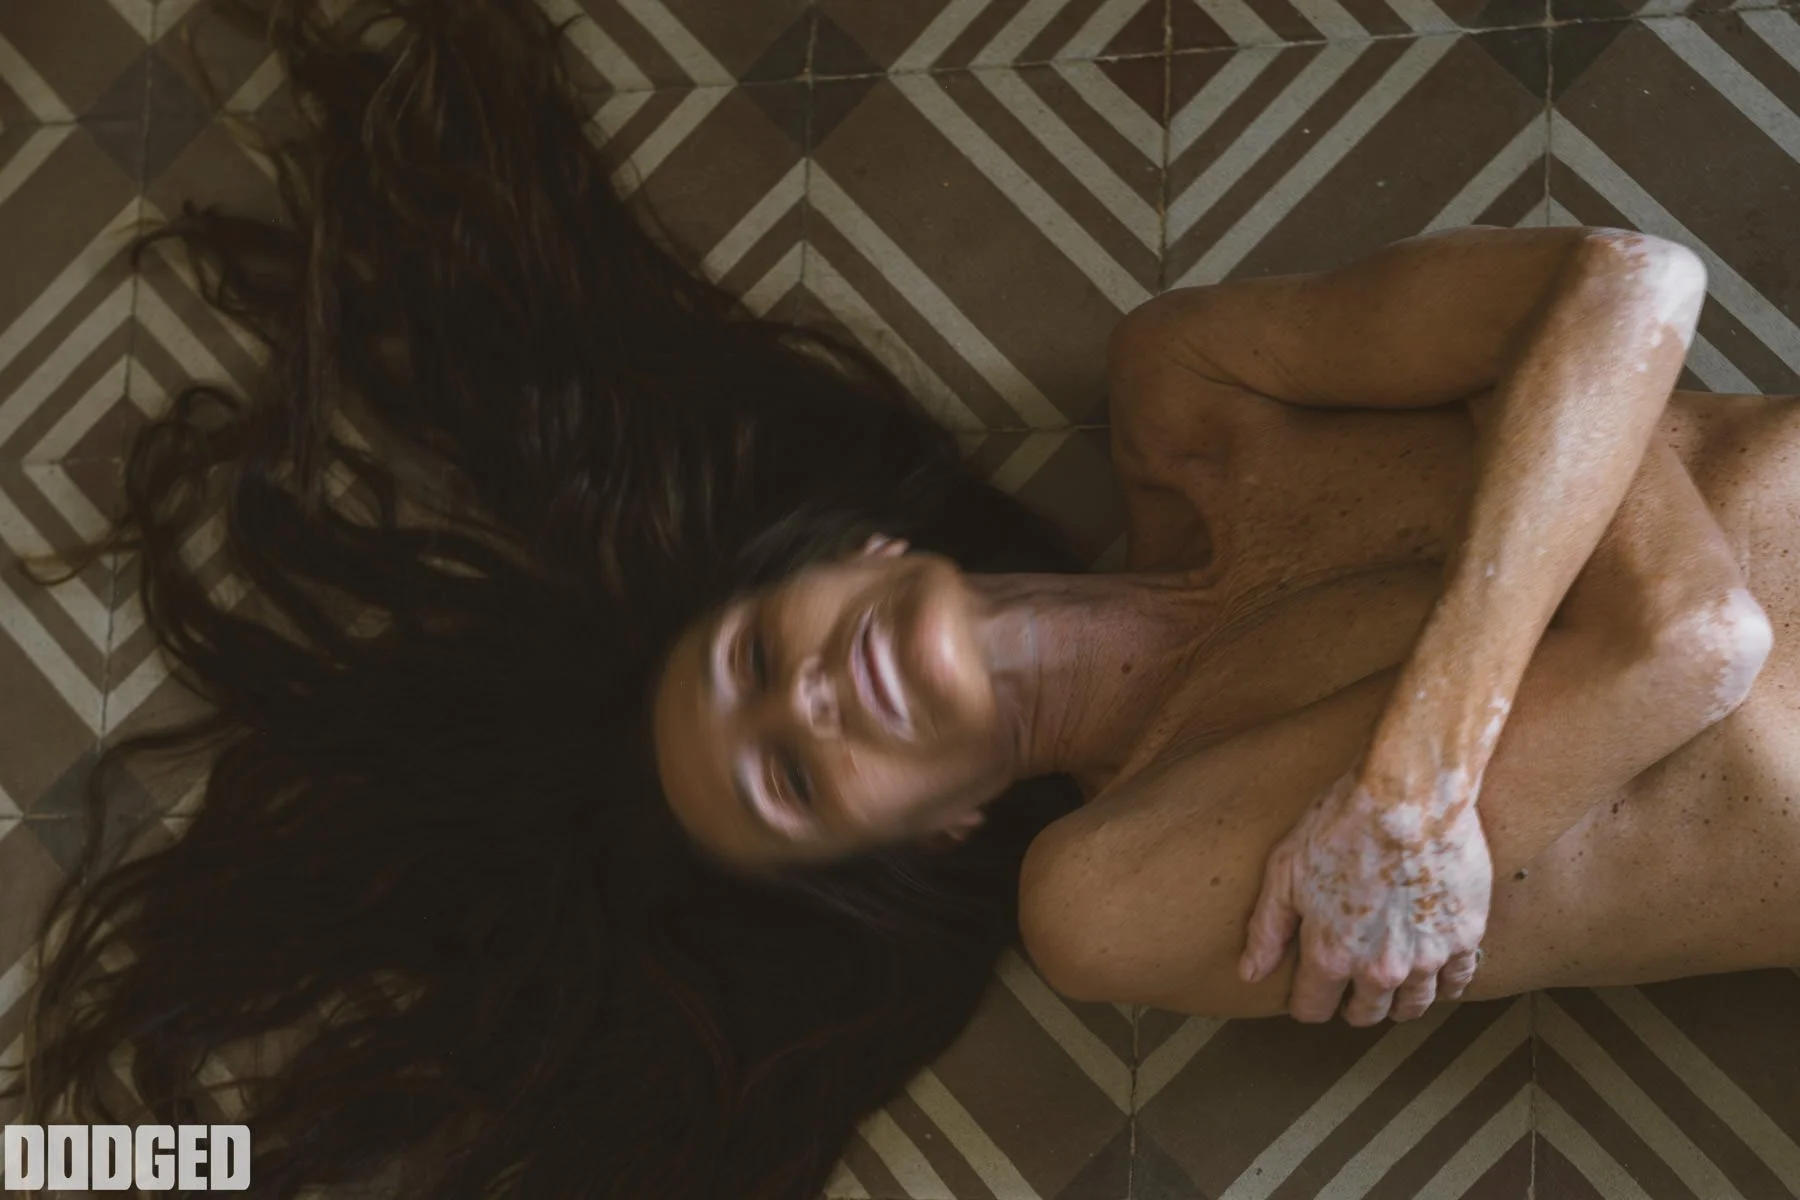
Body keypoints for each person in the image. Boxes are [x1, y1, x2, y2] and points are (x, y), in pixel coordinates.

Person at [653, 222, 1800, 1029]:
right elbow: (1684, 645)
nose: (805, 699)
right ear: (933, 830)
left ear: (859, 557)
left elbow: (1624, 279)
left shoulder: (1191, 390)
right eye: (791, 778)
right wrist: (1525, 390)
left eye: (753, 658)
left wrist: (1410, 781)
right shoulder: (1108, 894)